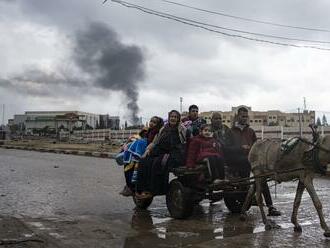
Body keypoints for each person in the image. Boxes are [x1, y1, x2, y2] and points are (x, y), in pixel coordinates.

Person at [231, 106, 281, 216]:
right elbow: (227, 148)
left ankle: (270, 207)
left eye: (246, 116)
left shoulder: (250, 131)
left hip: (251, 160)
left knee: (262, 177)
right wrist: (240, 148)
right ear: (237, 116)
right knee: (255, 178)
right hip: (236, 160)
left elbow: (256, 146)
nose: (244, 118)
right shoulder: (231, 132)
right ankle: (251, 200)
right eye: (242, 116)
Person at [136, 110, 190, 198]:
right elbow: (155, 141)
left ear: (178, 119)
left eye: (175, 117)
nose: (173, 118)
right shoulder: (163, 128)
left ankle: (154, 191)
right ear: (169, 118)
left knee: (157, 163)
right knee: (143, 162)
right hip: (160, 151)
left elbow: (187, 142)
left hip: (174, 153)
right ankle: (142, 189)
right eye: (172, 116)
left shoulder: (182, 129)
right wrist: (147, 151)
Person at [119, 116, 163, 196]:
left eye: (154, 122)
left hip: (147, 153)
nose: (151, 123)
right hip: (141, 153)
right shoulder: (148, 131)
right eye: (151, 121)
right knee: (128, 165)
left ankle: (131, 187)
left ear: (158, 124)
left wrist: (145, 152)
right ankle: (129, 186)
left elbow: (153, 144)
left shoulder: (157, 133)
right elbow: (139, 137)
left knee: (130, 166)